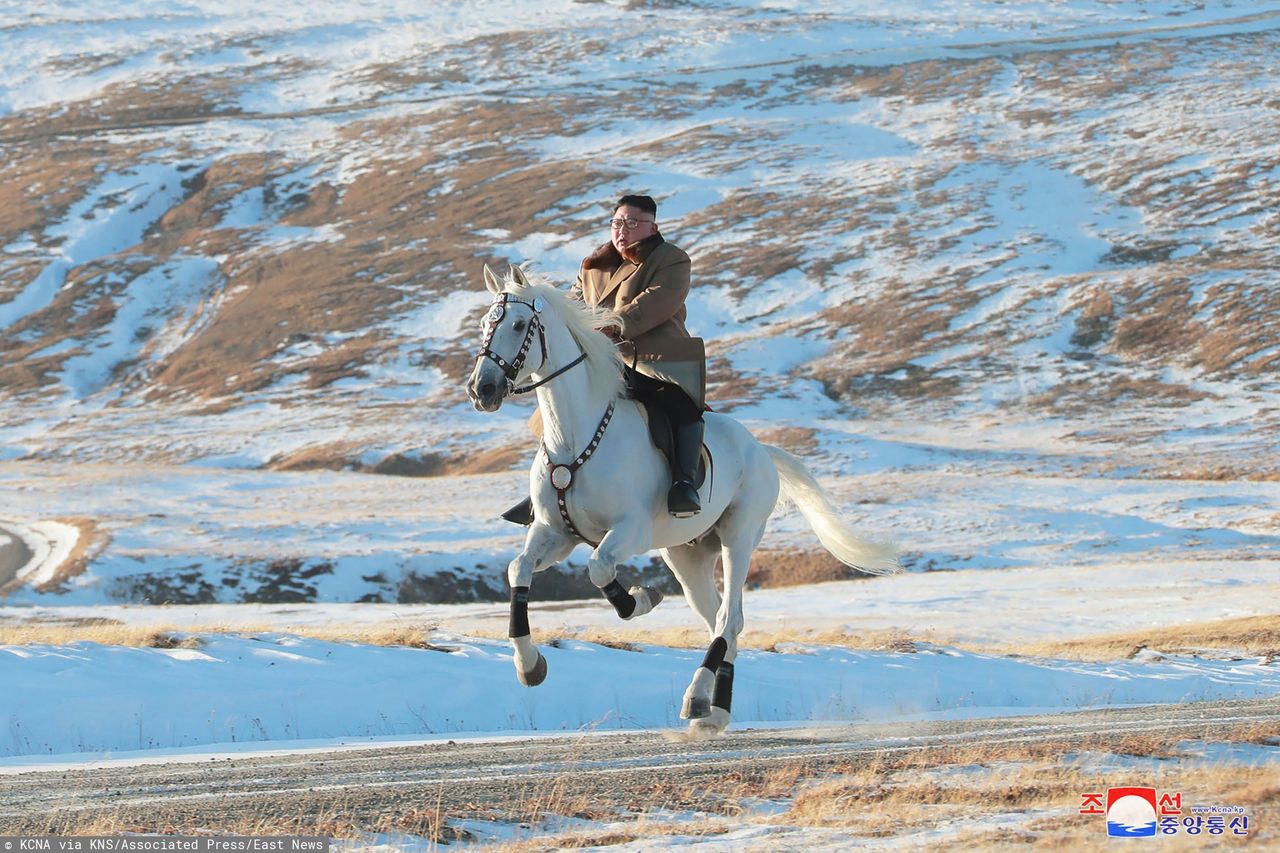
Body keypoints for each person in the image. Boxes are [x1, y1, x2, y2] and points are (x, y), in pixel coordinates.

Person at [502, 194, 706, 525]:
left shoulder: (671, 260)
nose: (621, 230)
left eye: (631, 223)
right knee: (558, 411)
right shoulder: (593, 265)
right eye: (616, 223)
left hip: (653, 360)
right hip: (601, 361)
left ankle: (684, 484)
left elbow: (654, 304)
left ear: (651, 227)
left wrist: (605, 327)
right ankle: (548, 490)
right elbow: (572, 306)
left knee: (680, 408)